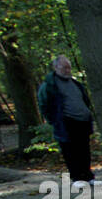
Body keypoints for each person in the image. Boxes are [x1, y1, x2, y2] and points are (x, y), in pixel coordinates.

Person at [37, 53, 95, 186]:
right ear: (56, 67)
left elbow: (84, 100)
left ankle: (88, 176)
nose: (67, 70)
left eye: (69, 67)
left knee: (84, 150)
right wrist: (54, 120)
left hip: (83, 121)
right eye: (64, 68)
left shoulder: (75, 83)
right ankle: (77, 178)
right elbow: (43, 104)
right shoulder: (49, 85)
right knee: (70, 151)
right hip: (66, 122)